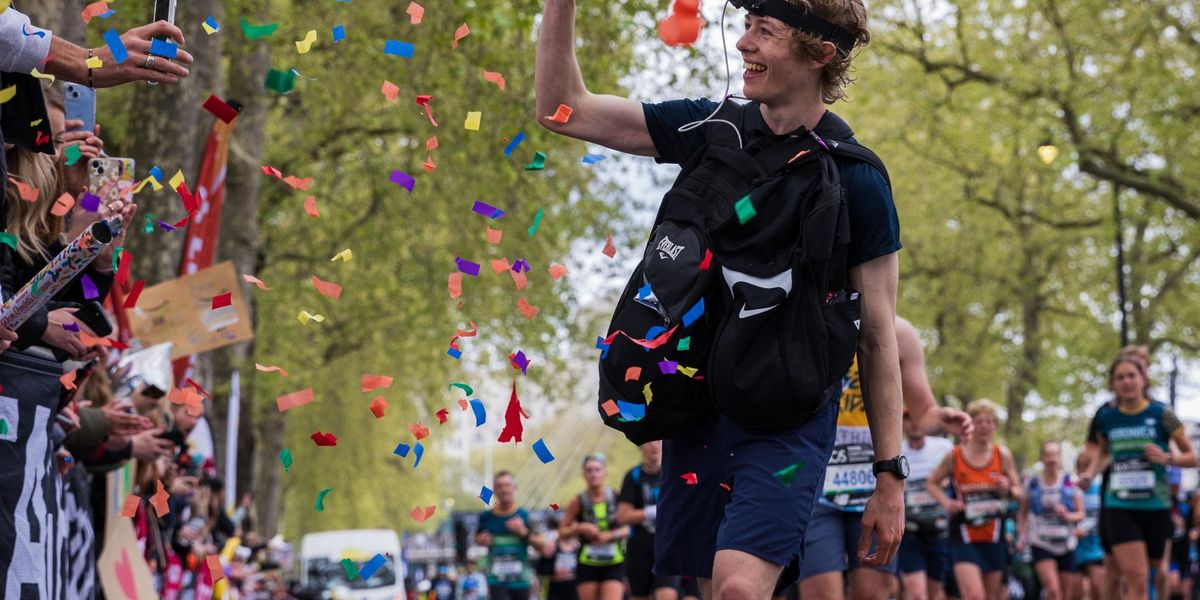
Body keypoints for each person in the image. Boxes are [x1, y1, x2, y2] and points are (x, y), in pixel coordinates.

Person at [535, 0, 908, 595]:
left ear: (820, 54)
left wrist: (889, 476)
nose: (744, 45)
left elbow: (879, 335)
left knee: (738, 589)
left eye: (766, 32)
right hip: (697, 410)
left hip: (788, 421)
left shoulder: (858, 180)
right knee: (714, 592)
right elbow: (563, 110)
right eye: (745, 28)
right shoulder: (711, 130)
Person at [800, 317, 971, 599]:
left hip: (877, 483)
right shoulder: (810, 314)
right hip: (816, 480)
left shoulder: (900, 332)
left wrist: (941, 418)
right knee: (820, 592)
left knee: (874, 593)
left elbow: (923, 411)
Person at [1077, 347, 1197, 600]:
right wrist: (1089, 473)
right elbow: (1102, 452)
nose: (1126, 382)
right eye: (1120, 377)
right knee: (1136, 578)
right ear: (1112, 383)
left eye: (1132, 375)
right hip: (1119, 505)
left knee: (1159, 572)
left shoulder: (1162, 413)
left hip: (1156, 505)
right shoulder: (1106, 415)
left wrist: (1167, 458)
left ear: (1143, 378)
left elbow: (1192, 457)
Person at [925, 399, 1023, 600]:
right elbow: (931, 483)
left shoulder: (1002, 455)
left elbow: (1019, 491)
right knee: (974, 595)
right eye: (979, 421)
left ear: (995, 426)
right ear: (970, 425)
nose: (984, 426)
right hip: (964, 535)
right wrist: (947, 503)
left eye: (989, 421)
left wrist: (1009, 489)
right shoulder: (955, 455)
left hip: (994, 534)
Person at [897, 409, 956, 600]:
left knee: (936, 592)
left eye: (917, 418)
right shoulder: (895, 450)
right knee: (917, 594)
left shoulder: (944, 447)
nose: (914, 424)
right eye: (908, 419)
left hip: (939, 531)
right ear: (903, 424)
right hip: (909, 532)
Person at [1018, 441, 1085, 600]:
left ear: (1060, 458)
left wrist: (1067, 516)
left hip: (1066, 544)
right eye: (1048, 454)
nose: (1051, 459)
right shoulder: (1032, 484)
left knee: (1066, 594)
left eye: (1055, 454)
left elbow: (1081, 513)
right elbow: (1022, 514)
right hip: (1041, 543)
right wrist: (1021, 536)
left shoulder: (1071, 482)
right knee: (1053, 591)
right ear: (1042, 458)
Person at [559, 455, 629, 600]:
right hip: (587, 562)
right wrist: (580, 528)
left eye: (597, 469)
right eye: (589, 470)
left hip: (614, 561)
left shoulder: (617, 497)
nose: (593, 474)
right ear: (584, 474)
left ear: (605, 472)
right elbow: (562, 532)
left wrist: (611, 535)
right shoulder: (577, 501)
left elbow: (630, 527)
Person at [617, 440, 678, 600]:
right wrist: (650, 512)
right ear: (640, 446)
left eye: (658, 441)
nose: (654, 446)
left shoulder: (674, 472)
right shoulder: (633, 476)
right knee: (639, 596)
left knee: (667, 595)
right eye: (649, 442)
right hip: (639, 548)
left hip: (668, 547)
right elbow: (623, 516)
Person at [476, 471, 542, 600]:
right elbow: (477, 537)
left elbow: (542, 544)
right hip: (496, 580)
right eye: (499, 486)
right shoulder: (485, 518)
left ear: (514, 488)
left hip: (522, 580)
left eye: (507, 485)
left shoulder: (526, 516)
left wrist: (523, 532)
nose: (504, 489)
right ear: (495, 490)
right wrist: (480, 540)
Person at [1071, 455, 1106, 600]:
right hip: (1074, 549)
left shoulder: (1100, 489)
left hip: (1096, 548)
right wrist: (1072, 531)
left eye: (1088, 465)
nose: (1085, 470)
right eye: (1082, 466)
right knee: (1076, 593)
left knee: (1098, 590)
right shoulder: (1070, 490)